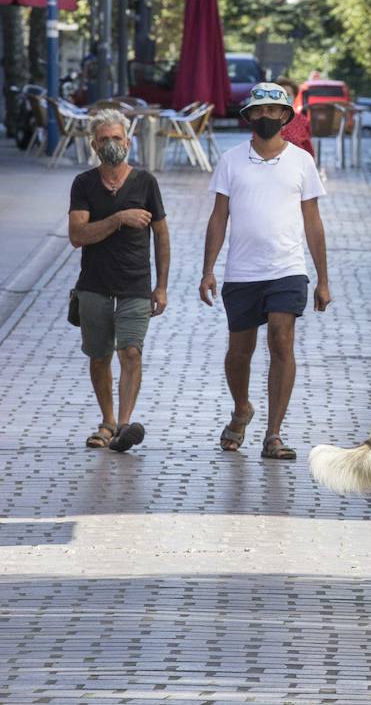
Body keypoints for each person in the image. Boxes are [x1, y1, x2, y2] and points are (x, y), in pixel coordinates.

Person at [200, 82, 332, 461]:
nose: (265, 116)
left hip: (287, 269)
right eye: (258, 111)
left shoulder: (302, 162)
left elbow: (314, 222)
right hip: (241, 271)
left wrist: (323, 279)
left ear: (285, 116)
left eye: (273, 111)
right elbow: (218, 216)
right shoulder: (231, 160)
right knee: (239, 353)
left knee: (281, 338)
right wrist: (208, 269)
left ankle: (273, 433)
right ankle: (242, 408)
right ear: (249, 116)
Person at [67, 109, 169, 453]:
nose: (112, 144)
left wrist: (162, 285)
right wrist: (118, 219)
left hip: (135, 284)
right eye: (105, 139)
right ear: (94, 145)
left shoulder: (145, 182)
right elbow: (77, 235)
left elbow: (162, 234)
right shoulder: (84, 184)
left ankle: (124, 426)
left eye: (117, 138)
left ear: (128, 141)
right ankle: (107, 422)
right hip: (94, 285)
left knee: (131, 351)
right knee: (99, 357)